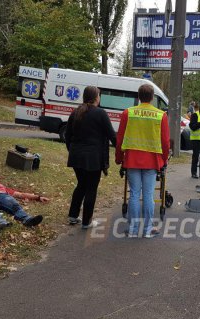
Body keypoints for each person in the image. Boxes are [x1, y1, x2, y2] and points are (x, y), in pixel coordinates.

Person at [115, 84, 170, 238]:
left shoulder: (128, 113)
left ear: (138, 97)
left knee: (133, 194)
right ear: (152, 97)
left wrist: (119, 158)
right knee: (148, 195)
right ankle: (147, 230)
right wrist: (164, 160)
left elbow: (120, 138)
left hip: (132, 159)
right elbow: (165, 142)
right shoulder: (161, 115)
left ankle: (132, 230)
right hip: (152, 162)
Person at [66, 86, 116, 229]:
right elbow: (112, 136)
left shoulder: (75, 112)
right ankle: (87, 222)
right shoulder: (100, 113)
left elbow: (68, 136)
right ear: (96, 98)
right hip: (93, 158)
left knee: (81, 185)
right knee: (91, 188)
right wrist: (122, 149)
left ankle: (73, 216)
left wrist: (73, 151)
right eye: (99, 95)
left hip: (76, 157)